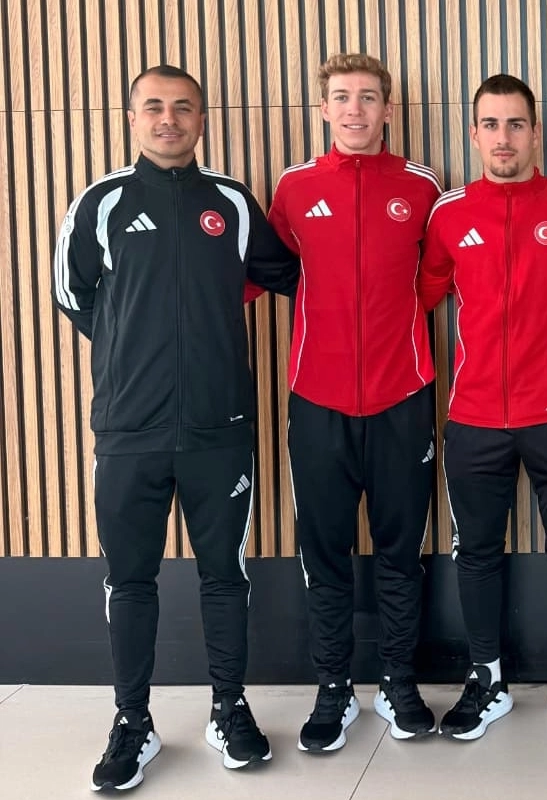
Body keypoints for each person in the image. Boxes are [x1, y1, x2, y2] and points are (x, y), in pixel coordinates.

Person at [53, 65, 297, 791]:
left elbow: (284, 273)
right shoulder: (102, 202)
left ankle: (229, 708)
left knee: (225, 575)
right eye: (154, 107)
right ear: (133, 118)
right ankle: (133, 721)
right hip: (128, 430)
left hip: (220, 428)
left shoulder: (231, 201)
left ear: (201, 119)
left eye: (183, 107)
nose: (169, 119)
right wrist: (129, 350)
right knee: (130, 579)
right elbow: (73, 292)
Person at [417, 73, 547, 742]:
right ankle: (487, 679)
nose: (503, 137)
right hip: (473, 415)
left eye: (516, 124)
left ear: (536, 132)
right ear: (473, 134)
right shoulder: (448, 213)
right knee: (476, 550)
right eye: (491, 124)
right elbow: (421, 295)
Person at [266, 53, 443, 753]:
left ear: (388, 110)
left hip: (404, 395)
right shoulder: (294, 187)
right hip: (318, 398)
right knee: (325, 551)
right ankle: (333, 688)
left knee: (402, 550)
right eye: (341, 97)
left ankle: (399, 681)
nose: (355, 109)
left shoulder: (423, 186)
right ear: (323, 108)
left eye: (369, 97)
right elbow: (272, 269)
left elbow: (439, 276)